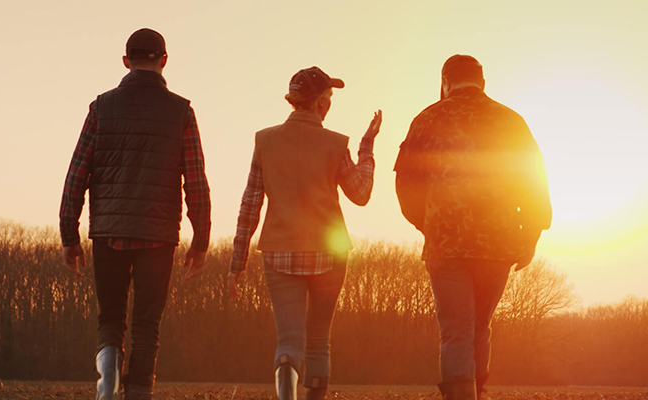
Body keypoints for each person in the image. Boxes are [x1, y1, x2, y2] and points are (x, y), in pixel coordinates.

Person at [58, 28, 211, 400]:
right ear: (164, 61)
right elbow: (196, 180)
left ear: (126, 61)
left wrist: (69, 236)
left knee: (110, 317)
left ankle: (108, 367)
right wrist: (201, 240)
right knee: (146, 325)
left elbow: (77, 173)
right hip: (158, 235)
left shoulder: (101, 108)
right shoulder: (181, 112)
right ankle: (138, 392)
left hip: (108, 231)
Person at [394, 55, 552, 400]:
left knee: (455, 332)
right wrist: (529, 236)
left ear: (446, 82)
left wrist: (428, 224)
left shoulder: (427, 119)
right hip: (497, 246)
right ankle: (477, 392)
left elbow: (405, 183)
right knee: (480, 327)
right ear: (482, 81)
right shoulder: (511, 121)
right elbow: (535, 183)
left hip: (445, 246)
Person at [227, 66, 381, 400]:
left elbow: (249, 205)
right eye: (329, 98)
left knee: (289, 341)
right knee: (318, 342)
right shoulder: (336, 144)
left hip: (279, 252)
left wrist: (236, 264)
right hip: (330, 253)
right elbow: (361, 193)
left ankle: (286, 387)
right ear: (321, 104)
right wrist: (367, 147)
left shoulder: (265, 141)